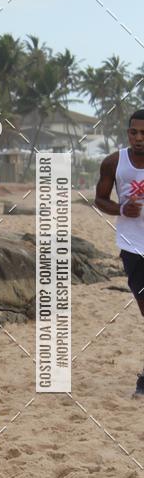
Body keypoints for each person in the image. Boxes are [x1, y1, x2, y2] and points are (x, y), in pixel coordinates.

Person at [95, 109, 144, 397]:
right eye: (133, 132)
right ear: (128, 133)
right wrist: (122, 209)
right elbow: (100, 199)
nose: (138, 138)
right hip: (132, 247)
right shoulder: (115, 162)